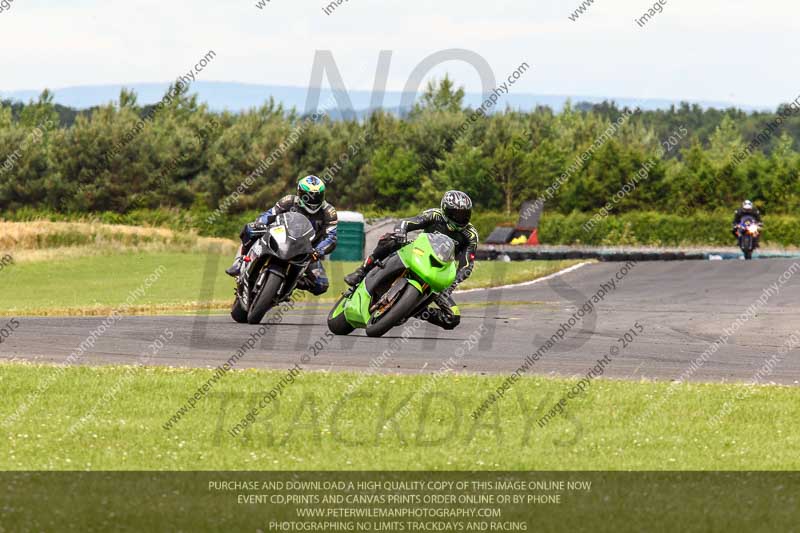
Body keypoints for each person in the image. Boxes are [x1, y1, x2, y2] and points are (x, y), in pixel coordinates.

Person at [343, 190, 479, 330]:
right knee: (390, 240)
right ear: (445, 209)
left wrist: (453, 282)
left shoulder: (470, 235)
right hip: (418, 252)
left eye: (465, 213)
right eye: (456, 213)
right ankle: (362, 270)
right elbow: (408, 222)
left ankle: (413, 309)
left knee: (452, 318)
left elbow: (467, 264)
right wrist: (401, 231)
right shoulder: (434, 214)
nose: (461, 217)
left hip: (439, 271)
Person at [225, 175, 338, 296]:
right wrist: (260, 224)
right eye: (309, 195)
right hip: (281, 238)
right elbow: (269, 214)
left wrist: (318, 251)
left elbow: (331, 237)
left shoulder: (329, 212)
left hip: (307, 251)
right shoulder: (288, 201)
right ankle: (239, 263)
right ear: (300, 192)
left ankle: (291, 282)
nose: (313, 199)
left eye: (317, 196)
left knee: (321, 285)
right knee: (250, 229)